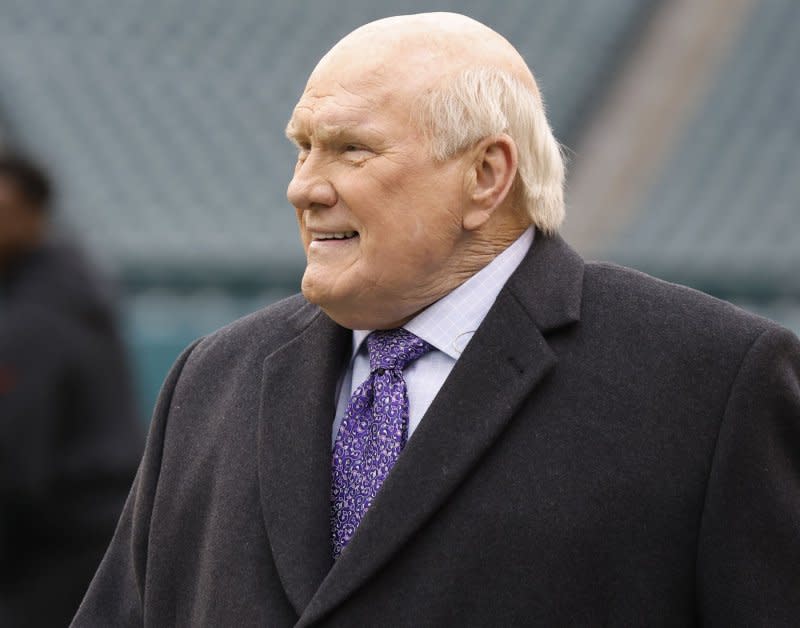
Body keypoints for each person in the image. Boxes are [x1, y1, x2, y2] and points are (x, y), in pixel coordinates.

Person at [73, 13, 800, 627]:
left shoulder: (712, 383)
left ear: (486, 175)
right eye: (302, 148)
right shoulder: (211, 379)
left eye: (350, 149)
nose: (303, 187)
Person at [0, 153, 143, 627]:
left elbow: (12, 463)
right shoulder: (68, 287)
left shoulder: (34, 317)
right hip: (97, 538)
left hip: (55, 550)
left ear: (33, 214)